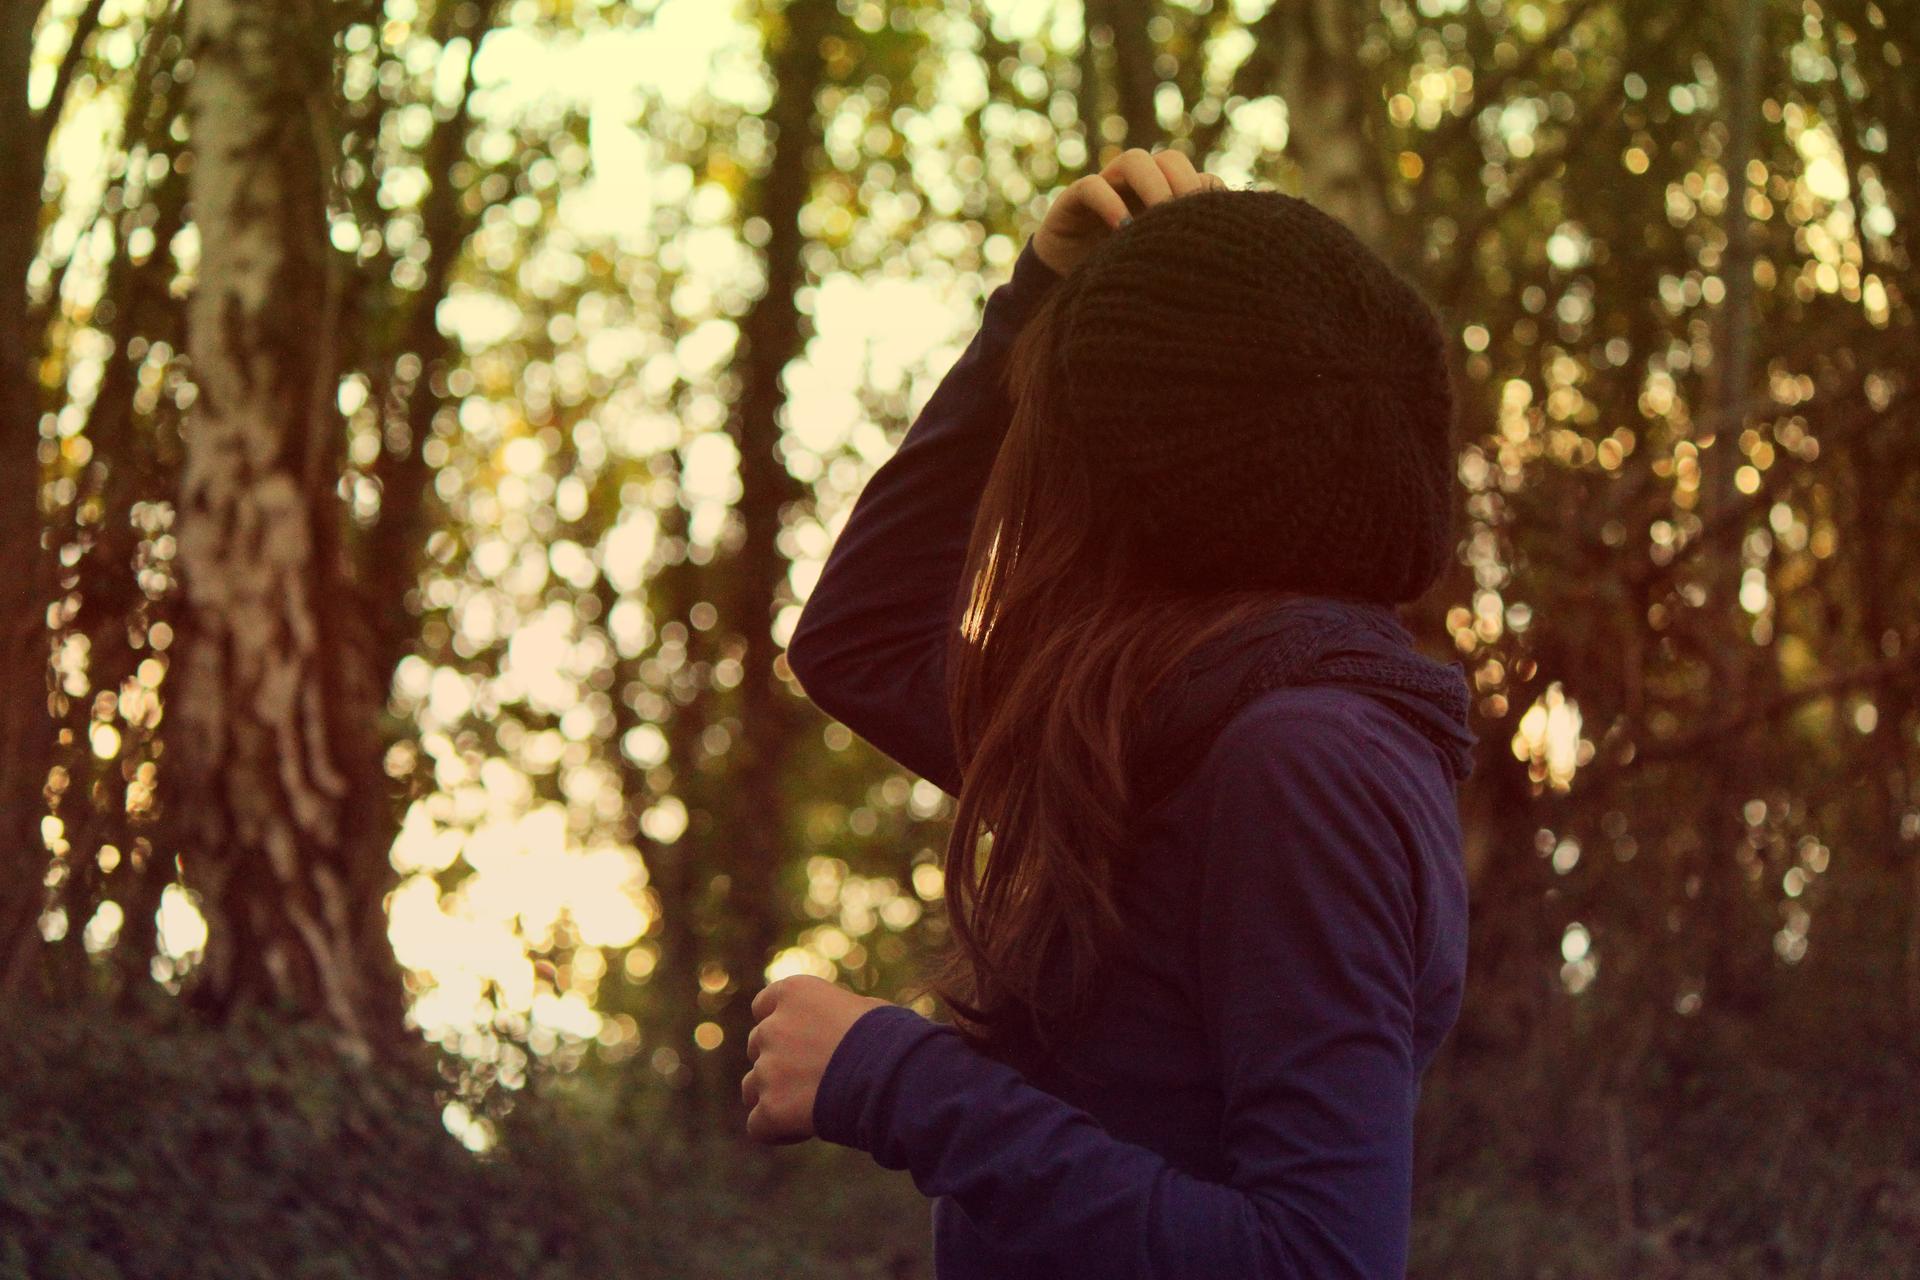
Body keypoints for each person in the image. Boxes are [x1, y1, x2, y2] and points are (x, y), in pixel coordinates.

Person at [740, 145, 1478, 1279]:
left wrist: (896, 1079)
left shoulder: (1303, 762)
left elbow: (1319, 1261)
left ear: (1146, 481)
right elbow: (861, 637)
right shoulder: (1153, 716)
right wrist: (1032, 307)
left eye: (1056, 426)